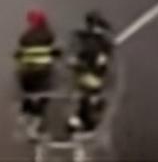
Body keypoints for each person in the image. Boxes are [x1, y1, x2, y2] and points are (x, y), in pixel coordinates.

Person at [14, 9, 61, 138]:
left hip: (26, 75)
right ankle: (37, 119)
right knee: (45, 95)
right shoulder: (49, 36)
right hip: (43, 74)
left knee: (28, 94)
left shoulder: (25, 38)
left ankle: (25, 114)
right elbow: (54, 52)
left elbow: (19, 55)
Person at [67, 11, 115, 136]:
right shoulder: (101, 42)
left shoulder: (85, 39)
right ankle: (85, 121)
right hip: (92, 77)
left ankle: (78, 120)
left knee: (84, 96)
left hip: (85, 76)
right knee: (88, 96)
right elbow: (101, 61)